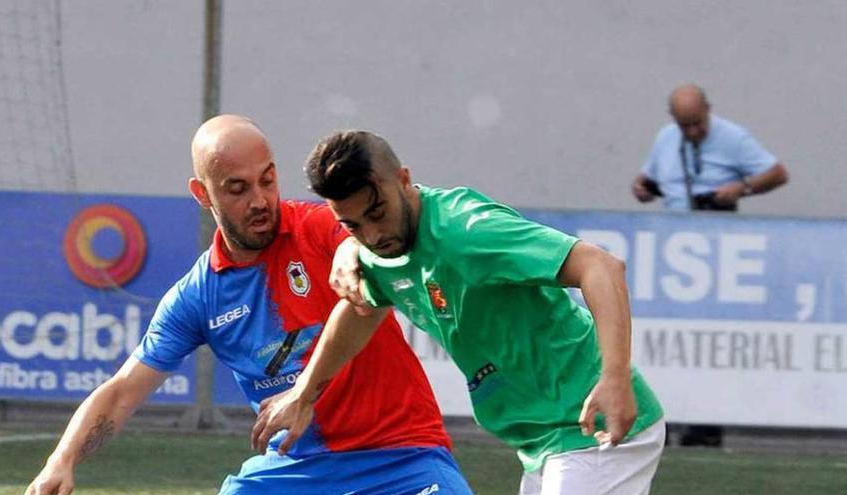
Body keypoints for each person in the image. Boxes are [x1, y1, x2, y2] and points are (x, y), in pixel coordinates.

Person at [25, 116, 473, 495]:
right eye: (237, 188)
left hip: (403, 456)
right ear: (203, 194)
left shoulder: (323, 227)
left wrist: (357, 249)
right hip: (296, 470)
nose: (259, 200)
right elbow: (123, 391)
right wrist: (59, 462)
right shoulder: (198, 295)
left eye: (267, 180)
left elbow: (373, 245)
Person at [253, 130, 666, 495]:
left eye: (377, 214)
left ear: (403, 180)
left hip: (594, 427)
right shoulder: (378, 249)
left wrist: (614, 377)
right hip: (545, 441)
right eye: (352, 226)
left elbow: (600, 266)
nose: (373, 235)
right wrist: (304, 394)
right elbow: (360, 310)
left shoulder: (467, 231)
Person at [632, 84, 788, 212]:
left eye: (698, 123)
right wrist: (640, 189)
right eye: (684, 126)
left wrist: (742, 188)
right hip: (672, 229)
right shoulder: (665, 136)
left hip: (718, 229)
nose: (693, 132)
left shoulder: (733, 137)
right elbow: (645, 177)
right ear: (673, 116)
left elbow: (778, 174)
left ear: (707, 109)